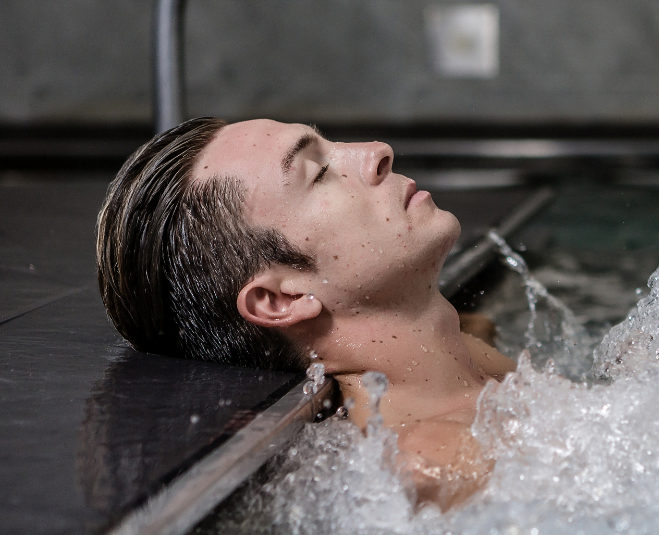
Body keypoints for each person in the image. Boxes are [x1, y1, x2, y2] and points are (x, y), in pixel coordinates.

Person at [96, 117, 514, 508]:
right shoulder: (439, 470)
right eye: (318, 172)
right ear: (282, 300)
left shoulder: (470, 358)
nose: (377, 151)